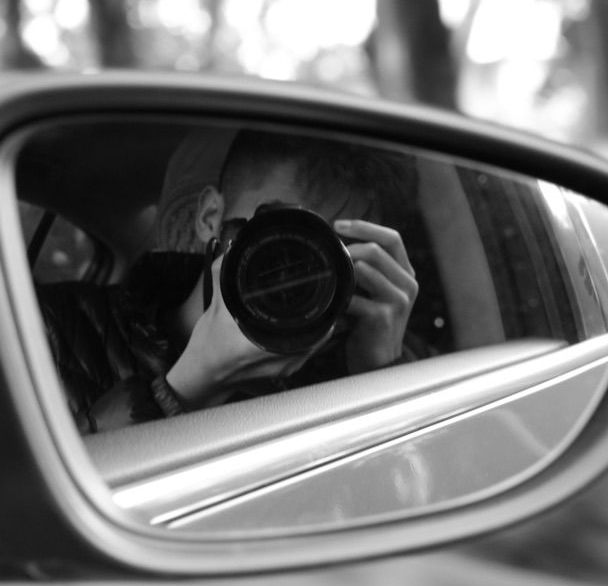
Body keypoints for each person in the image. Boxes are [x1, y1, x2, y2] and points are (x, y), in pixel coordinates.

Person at [39, 128, 419, 433]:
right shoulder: (48, 330)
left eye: (336, 255)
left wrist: (382, 376)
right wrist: (184, 389)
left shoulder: (352, 366)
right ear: (210, 217)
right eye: (280, 239)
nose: (299, 273)